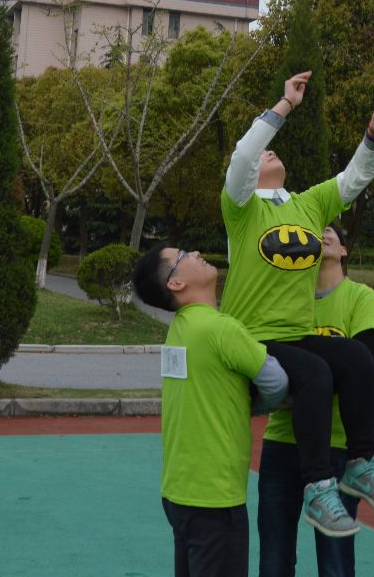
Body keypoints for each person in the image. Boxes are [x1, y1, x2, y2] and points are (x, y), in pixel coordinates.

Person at [221, 72, 374, 537]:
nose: (269, 153)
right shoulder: (241, 208)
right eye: (264, 152)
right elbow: (243, 156)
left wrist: (373, 138)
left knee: (356, 358)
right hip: (252, 338)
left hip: (296, 337)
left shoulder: (308, 205)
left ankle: (360, 462)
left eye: (271, 150)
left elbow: (354, 178)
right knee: (316, 373)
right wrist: (284, 105)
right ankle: (318, 486)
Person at [133, 244, 289, 577]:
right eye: (182, 255)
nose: (195, 252)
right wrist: (257, 405)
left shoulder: (179, 329)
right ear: (176, 284)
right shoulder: (221, 329)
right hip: (215, 497)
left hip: (179, 490)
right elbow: (277, 381)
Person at [258, 224, 374, 577]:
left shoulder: (361, 298)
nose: (324, 234)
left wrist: (303, 383)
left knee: (335, 564)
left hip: (337, 446)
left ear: (344, 250)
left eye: (331, 231)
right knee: (274, 559)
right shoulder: (288, 303)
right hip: (282, 441)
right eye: (317, 231)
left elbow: (365, 369)